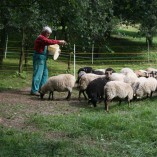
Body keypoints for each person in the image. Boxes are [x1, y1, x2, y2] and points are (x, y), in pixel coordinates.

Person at [31, 26, 66, 96]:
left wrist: (57, 52)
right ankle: (34, 90)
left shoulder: (44, 39)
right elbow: (48, 42)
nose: (49, 35)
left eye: (49, 34)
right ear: (44, 32)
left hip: (43, 58)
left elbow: (49, 50)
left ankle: (42, 89)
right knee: (38, 74)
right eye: (48, 33)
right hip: (39, 57)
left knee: (45, 74)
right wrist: (59, 41)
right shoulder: (41, 38)